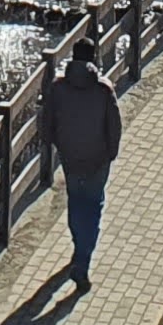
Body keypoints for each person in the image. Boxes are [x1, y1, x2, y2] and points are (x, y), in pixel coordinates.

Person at [44, 41, 121, 290]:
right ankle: (82, 261)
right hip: (97, 160)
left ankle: (79, 246)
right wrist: (111, 153)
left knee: (76, 203)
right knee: (94, 206)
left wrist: (57, 144)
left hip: (71, 158)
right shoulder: (102, 89)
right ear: (93, 59)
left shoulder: (58, 88)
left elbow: (46, 122)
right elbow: (114, 125)